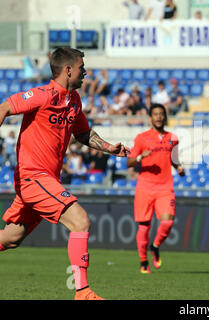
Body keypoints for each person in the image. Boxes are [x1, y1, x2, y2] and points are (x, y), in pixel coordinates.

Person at [0, 47, 130, 300]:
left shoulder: (74, 101)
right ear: (68, 70)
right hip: (33, 177)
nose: (86, 72)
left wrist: (109, 148)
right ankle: (82, 292)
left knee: (12, 237)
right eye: (82, 67)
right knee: (80, 221)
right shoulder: (42, 95)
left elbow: (83, 134)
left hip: (46, 180)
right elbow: (4, 107)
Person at [127, 103, 185, 274]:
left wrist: (179, 167)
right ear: (150, 118)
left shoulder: (173, 138)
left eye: (161, 114)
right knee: (144, 227)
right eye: (155, 114)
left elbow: (174, 159)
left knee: (167, 222)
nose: (159, 117)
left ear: (165, 117)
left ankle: (156, 245)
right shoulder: (141, 138)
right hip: (145, 187)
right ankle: (143, 261)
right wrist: (139, 157)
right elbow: (129, 162)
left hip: (165, 187)